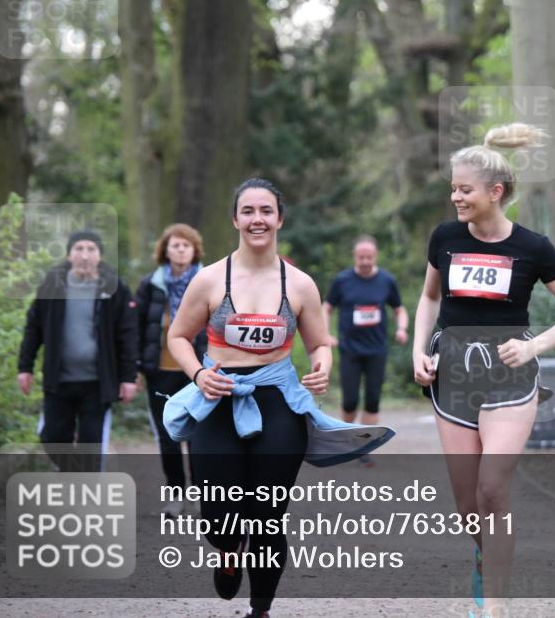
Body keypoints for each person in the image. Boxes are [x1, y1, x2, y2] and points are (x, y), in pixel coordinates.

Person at [164, 178, 391, 618]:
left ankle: (260, 610)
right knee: (217, 515)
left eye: (266, 211)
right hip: (219, 399)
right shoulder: (210, 279)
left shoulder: (300, 284)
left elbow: (320, 342)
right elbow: (177, 336)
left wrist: (322, 365)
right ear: (235, 219)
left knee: (267, 515)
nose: (257, 219)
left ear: (280, 219)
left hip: (278, 404)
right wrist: (197, 373)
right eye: (248, 211)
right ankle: (229, 551)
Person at [412, 124, 555, 618]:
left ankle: (494, 603)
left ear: (495, 192)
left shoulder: (533, 248)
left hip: (510, 378)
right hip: (452, 375)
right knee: (467, 500)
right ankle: (483, 554)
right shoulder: (445, 237)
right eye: (453, 188)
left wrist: (534, 345)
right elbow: (429, 298)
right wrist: (418, 354)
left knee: (493, 488)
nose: (455, 197)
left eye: (464, 189)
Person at [18, 229, 139, 471]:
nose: (85, 255)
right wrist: (25, 367)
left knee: (90, 445)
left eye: (91, 249)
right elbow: (34, 327)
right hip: (59, 380)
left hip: (97, 383)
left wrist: (128, 378)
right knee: (52, 438)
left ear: (100, 255)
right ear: (69, 254)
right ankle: (75, 473)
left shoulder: (115, 288)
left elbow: (127, 335)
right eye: (79, 249)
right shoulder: (52, 285)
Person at [136, 223, 206, 517]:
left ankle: (207, 497)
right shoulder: (150, 286)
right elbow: (136, 328)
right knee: (168, 437)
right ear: (165, 250)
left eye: (185, 245)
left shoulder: (209, 282)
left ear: (194, 251)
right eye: (175, 245)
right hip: (160, 371)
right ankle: (176, 495)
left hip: (200, 373)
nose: (180, 249)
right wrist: (136, 368)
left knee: (200, 437)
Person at [322, 234, 408, 463]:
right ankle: (346, 441)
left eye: (369, 257)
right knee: (349, 400)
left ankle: (363, 447)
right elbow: (327, 307)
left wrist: (401, 328)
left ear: (375, 256)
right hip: (349, 349)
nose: (365, 261)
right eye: (361, 257)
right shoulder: (342, 280)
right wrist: (326, 333)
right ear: (355, 256)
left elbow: (400, 309)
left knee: (372, 400)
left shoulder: (386, 281)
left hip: (376, 350)